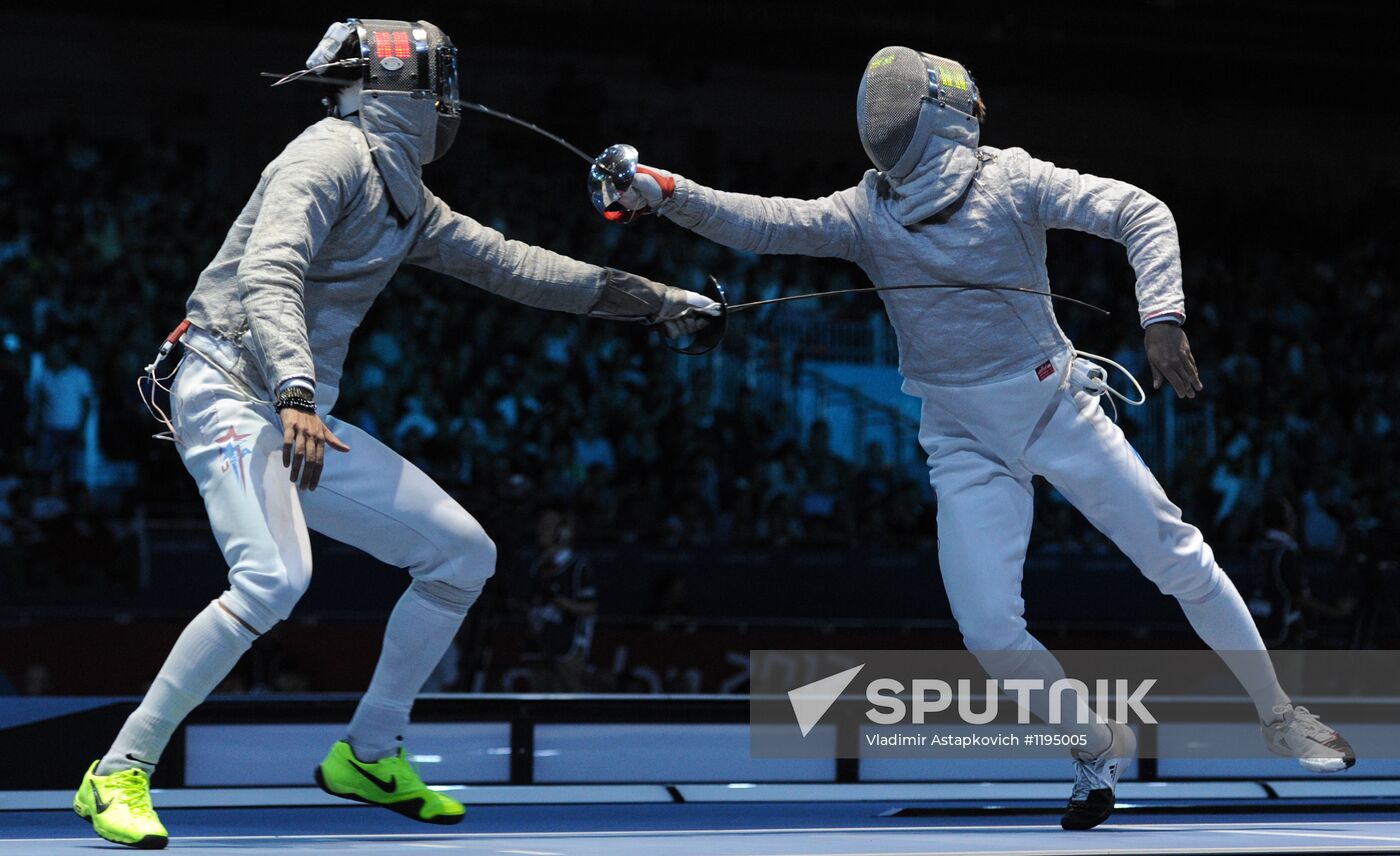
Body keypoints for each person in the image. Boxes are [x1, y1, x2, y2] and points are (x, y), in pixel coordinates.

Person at [609, 45, 1353, 831]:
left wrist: (1162, 314)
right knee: (990, 628)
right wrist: (665, 191)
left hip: (1053, 410)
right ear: (945, 118)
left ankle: (1278, 713)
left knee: (1178, 557)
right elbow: (760, 222)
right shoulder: (867, 213)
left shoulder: (1013, 178)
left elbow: (1141, 210)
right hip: (960, 436)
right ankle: (1093, 749)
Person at [73, 18, 717, 850]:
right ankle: (118, 769)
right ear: (399, 88)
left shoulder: (403, 195)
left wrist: (657, 300)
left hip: (296, 411)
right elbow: (271, 271)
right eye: (437, 82)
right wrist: (298, 393)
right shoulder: (326, 155)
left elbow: (513, 264)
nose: (447, 100)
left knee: (461, 555)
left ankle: (369, 754)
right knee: (272, 578)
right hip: (228, 384)